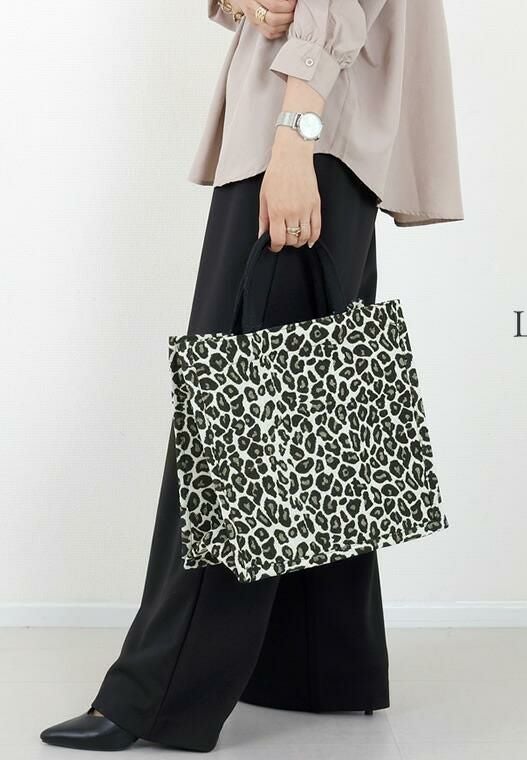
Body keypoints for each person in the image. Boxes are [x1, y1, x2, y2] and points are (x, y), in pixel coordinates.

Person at [40, 0, 463, 752]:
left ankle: (157, 696)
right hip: (326, 139)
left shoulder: (298, 137)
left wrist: (294, 139)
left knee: (232, 422)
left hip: (299, 136)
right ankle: (321, 669)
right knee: (312, 408)